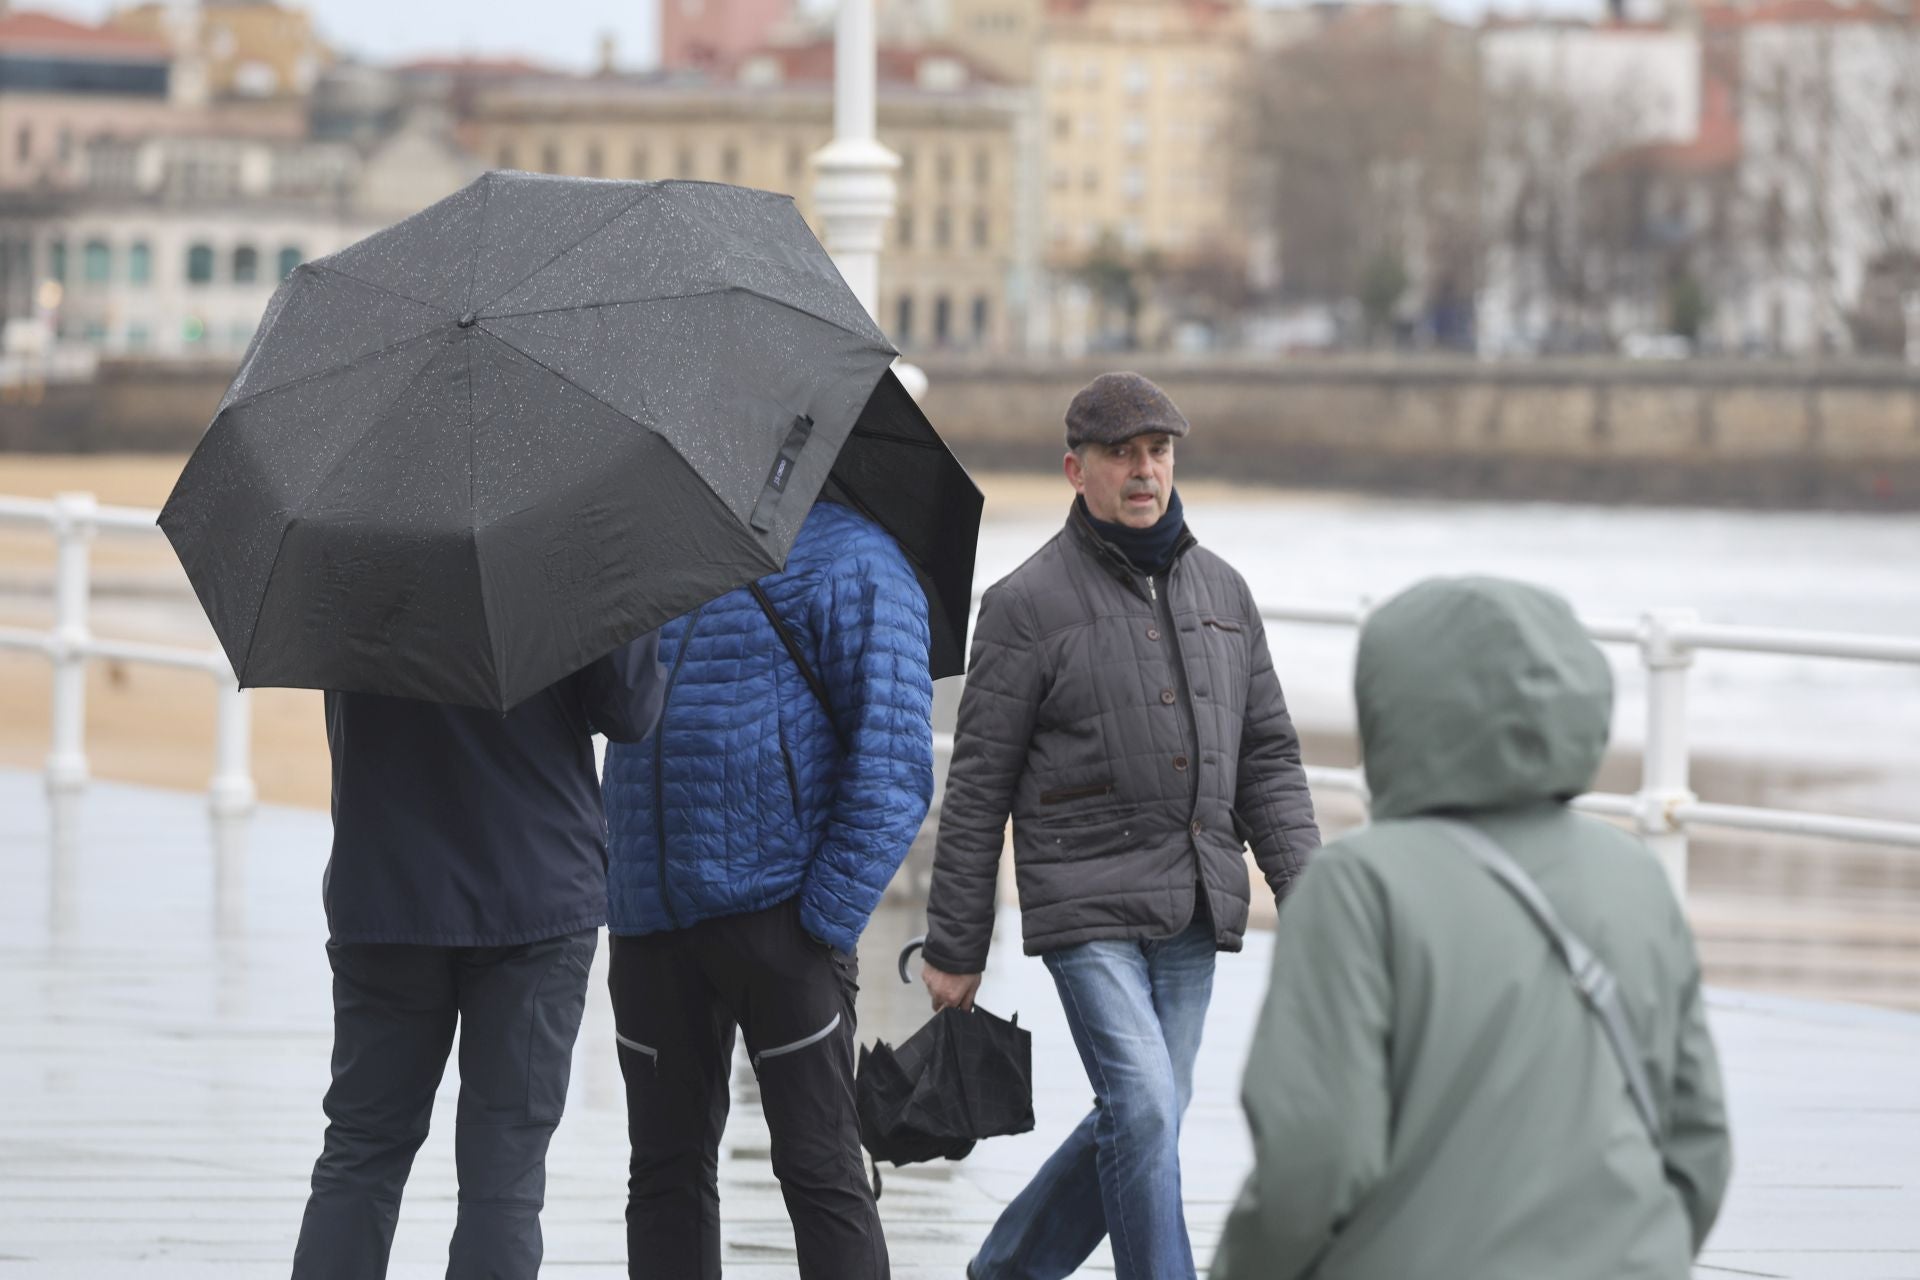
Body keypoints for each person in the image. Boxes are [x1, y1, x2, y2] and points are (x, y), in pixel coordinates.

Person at [1211, 576, 1733, 1280]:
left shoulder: (1360, 885)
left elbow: (1316, 1154)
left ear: (1395, 706)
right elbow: (1699, 1142)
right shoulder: (1634, 875)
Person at [919, 371, 1322, 1280]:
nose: (1144, 471)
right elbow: (979, 783)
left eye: (1157, 452)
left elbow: (1266, 758)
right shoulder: (1023, 607)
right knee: (1142, 1102)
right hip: (1084, 899)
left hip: (1191, 900)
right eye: (1121, 454)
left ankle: (1009, 1269)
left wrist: (1314, 895)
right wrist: (956, 943)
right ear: (1076, 469)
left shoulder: (1225, 592)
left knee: (1150, 1109)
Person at [601, 499, 935, 1280]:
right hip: (649, 918)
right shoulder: (648, 549)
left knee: (820, 1172)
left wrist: (820, 919)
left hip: (782, 920)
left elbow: (893, 766)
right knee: (662, 1176)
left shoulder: (852, 554)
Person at [291, 635, 666, 1280]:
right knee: (505, 1174)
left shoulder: (353, 541)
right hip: (533, 890)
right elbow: (629, 710)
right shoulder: (559, 541)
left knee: (363, 1150)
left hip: (387, 881)